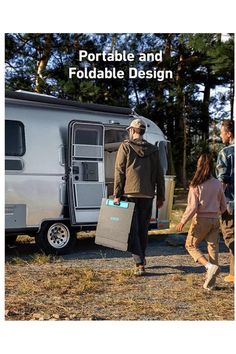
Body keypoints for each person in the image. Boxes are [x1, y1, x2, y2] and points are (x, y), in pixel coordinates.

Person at [113, 118, 165, 276]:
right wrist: (161, 196)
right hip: (148, 195)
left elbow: (119, 171)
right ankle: (142, 257)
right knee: (143, 229)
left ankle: (139, 263)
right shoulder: (153, 150)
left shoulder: (126, 146)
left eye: (130, 129)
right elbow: (159, 174)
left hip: (130, 193)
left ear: (133, 131)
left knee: (131, 230)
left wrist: (116, 194)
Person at [176, 154, 227, 290]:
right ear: (211, 166)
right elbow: (223, 206)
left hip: (201, 220)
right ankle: (211, 283)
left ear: (199, 166)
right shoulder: (218, 183)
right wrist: (216, 212)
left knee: (190, 245)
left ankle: (209, 267)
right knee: (213, 248)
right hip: (215, 220)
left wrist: (182, 221)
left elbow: (192, 207)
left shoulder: (196, 184)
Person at [216, 119, 234, 283]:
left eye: (221, 132)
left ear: (229, 133)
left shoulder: (226, 152)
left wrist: (216, 203)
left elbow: (222, 181)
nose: (220, 136)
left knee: (230, 238)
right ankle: (233, 273)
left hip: (231, 204)